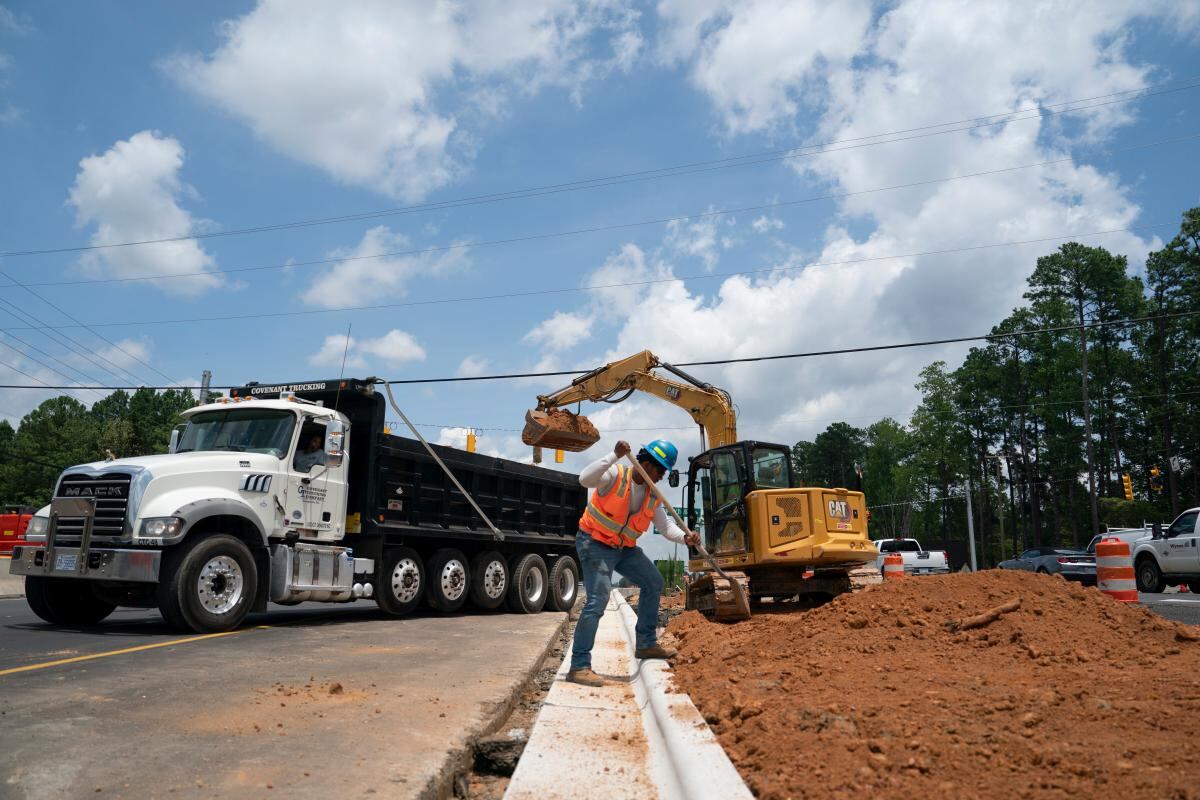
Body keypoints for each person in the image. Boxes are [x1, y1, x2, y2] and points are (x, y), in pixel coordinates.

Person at [567, 438, 701, 688]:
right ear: (646, 463)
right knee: (598, 599)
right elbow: (585, 479)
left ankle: (647, 643)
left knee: (654, 582)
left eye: (664, 471)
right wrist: (614, 454)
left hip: (624, 549)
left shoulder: (653, 495)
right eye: (660, 469)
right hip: (594, 542)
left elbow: (665, 527)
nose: (661, 476)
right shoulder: (615, 474)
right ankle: (579, 666)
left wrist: (685, 538)